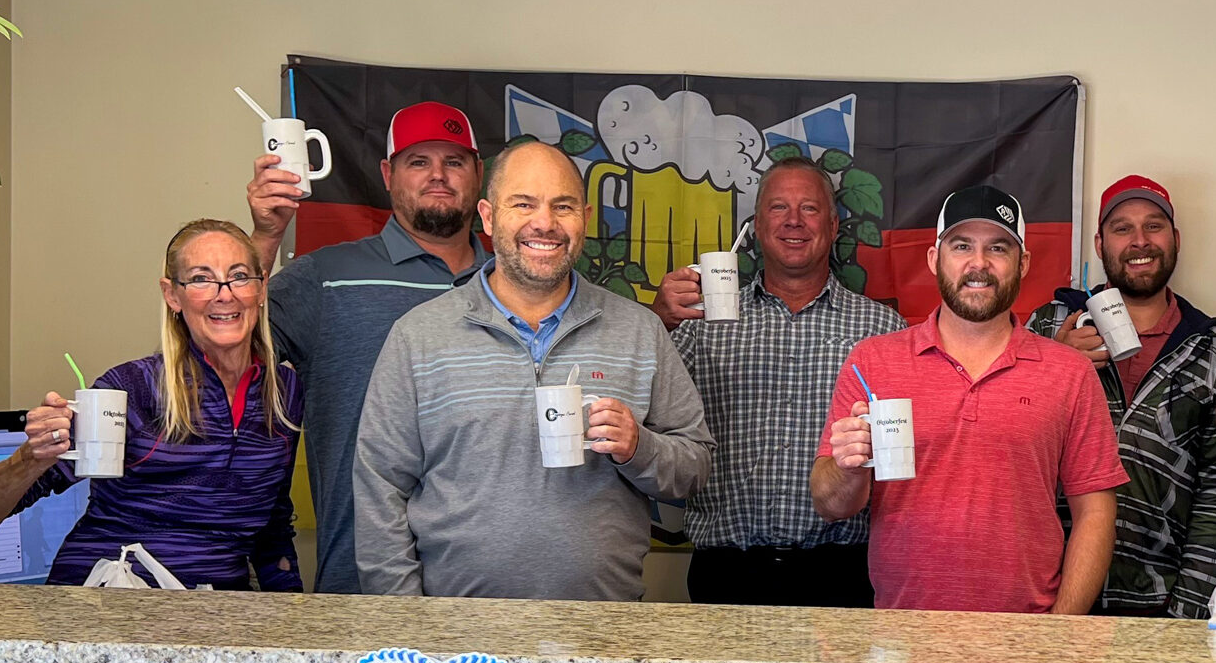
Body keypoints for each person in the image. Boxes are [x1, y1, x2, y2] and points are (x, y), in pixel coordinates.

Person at [354, 138, 712, 601]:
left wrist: (638, 447)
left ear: (584, 220)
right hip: (455, 636)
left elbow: (695, 467)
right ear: (487, 215)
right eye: (523, 204)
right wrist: (408, 622)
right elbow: (378, 486)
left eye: (562, 206)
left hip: (604, 631)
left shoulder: (639, 331)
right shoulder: (418, 336)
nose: (544, 222)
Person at [811, 184, 1125, 614]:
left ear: (1023, 263)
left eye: (998, 247)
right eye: (961, 246)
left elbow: (1095, 511)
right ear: (933, 258)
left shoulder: (1068, 372)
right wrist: (847, 469)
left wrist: (1061, 631)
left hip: (1026, 642)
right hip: (903, 639)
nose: (979, 264)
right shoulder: (873, 363)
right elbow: (830, 506)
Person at [0, 219, 302, 590]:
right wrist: (31, 457)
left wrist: (293, 625)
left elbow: (273, 529)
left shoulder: (285, 394)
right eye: (201, 279)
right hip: (110, 605)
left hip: (215, 614)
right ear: (173, 296)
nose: (225, 294)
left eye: (238, 276)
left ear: (261, 288)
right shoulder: (131, 390)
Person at [247, 100, 485, 593]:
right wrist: (267, 235)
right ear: (387, 174)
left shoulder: (518, 281)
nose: (437, 175)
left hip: (491, 587)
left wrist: (655, 318)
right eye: (418, 161)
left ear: (479, 176)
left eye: (454, 162)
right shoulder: (326, 277)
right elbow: (223, 351)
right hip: (360, 581)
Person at [669, 155, 904, 607]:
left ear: (834, 226)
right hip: (725, 575)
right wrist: (661, 321)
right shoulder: (701, 324)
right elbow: (652, 414)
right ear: (756, 225)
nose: (794, 221)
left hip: (842, 573)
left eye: (810, 209)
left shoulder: (882, 330)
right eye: (778, 208)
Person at [1028, 175, 1216, 617]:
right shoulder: (1050, 327)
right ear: (1099, 242)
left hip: (1156, 603)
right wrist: (1056, 367)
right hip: (1043, 593)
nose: (1139, 241)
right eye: (1122, 228)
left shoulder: (1211, 346)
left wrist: (1189, 609)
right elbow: (1008, 445)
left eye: (1154, 226)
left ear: (1176, 239)